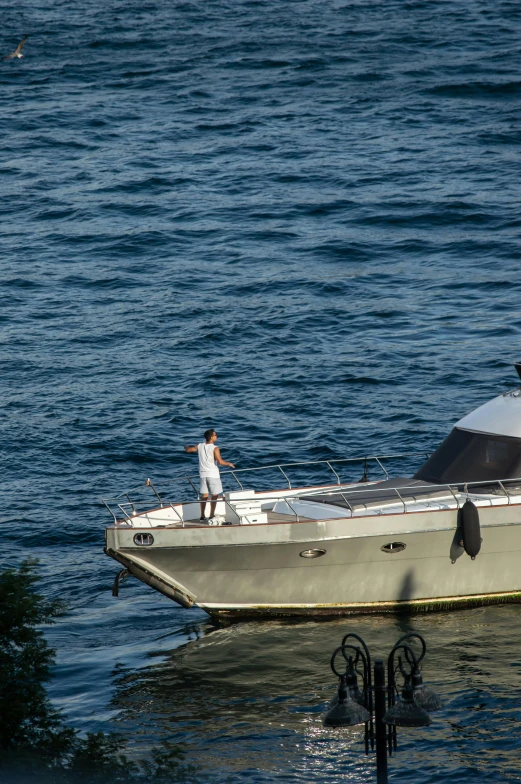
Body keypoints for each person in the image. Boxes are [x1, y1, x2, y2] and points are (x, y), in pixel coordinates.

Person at [184, 429, 235, 523]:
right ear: (211, 437)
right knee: (214, 496)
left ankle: (202, 516)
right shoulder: (215, 448)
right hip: (213, 475)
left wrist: (186, 447)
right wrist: (229, 464)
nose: (217, 436)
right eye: (216, 435)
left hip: (203, 475)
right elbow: (220, 462)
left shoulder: (199, 446)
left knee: (204, 496)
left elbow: (189, 450)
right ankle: (211, 515)